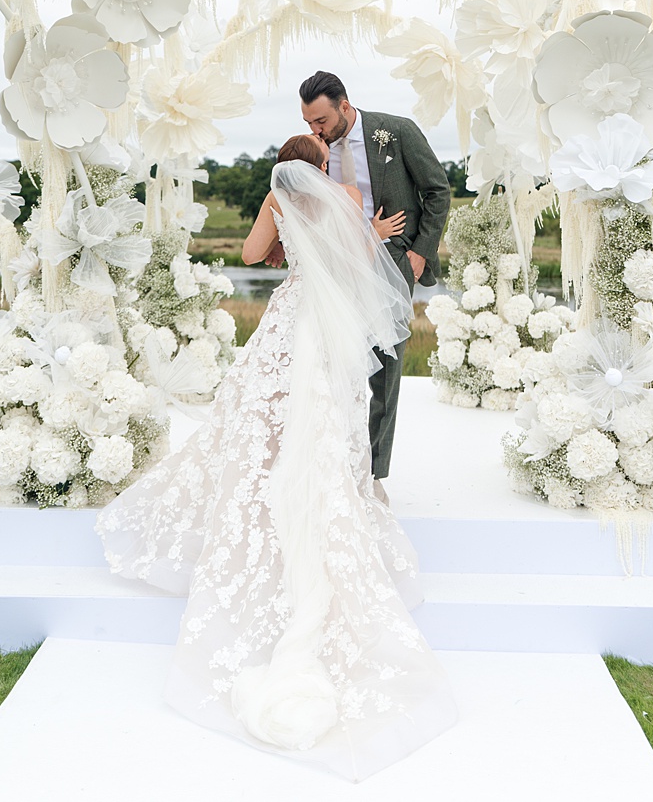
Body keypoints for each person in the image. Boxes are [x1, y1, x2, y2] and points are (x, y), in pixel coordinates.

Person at [96, 133, 456, 781]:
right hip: (329, 317)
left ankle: (266, 482)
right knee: (325, 416)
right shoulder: (343, 195)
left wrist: (275, 213)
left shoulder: (277, 196)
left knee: (265, 411)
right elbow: (357, 263)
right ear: (321, 164)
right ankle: (326, 488)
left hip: (292, 310)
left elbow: (250, 253)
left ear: (284, 169)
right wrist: (371, 230)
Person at [291, 71, 451, 498]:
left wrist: (420, 251)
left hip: (393, 262)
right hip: (336, 267)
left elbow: (437, 190)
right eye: (309, 123)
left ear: (345, 105)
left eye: (321, 121)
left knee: (387, 367)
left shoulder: (396, 132)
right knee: (338, 363)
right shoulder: (315, 150)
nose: (314, 130)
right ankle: (335, 459)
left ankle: (374, 474)